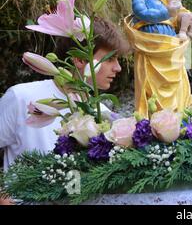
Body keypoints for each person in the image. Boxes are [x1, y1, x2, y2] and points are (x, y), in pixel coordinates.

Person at [0, 17, 130, 172]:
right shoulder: (21, 96)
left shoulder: (103, 114)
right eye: (110, 59)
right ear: (80, 60)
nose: (118, 68)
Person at [125, 0, 192, 116]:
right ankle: (154, 124)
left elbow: (176, 17)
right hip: (152, 43)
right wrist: (167, 13)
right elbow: (140, 11)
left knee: (176, 83)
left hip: (169, 43)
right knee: (153, 88)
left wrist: (185, 18)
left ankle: (177, 121)